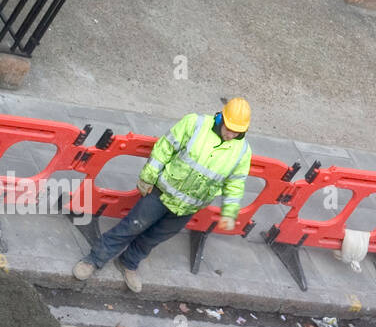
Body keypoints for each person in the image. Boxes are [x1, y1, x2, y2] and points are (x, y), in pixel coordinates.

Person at [73, 98, 253, 293]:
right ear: (221, 118)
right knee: (132, 226)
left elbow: (235, 183)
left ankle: (128, 263)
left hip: (188, 207)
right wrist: (148, 177)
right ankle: (94, 259)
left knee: (153, 238)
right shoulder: (195, 124)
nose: (231, 134)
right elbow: (165, 148)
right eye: (229, 128)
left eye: (237, 131)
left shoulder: (242, 151)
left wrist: (229, 212)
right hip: (161, 193)